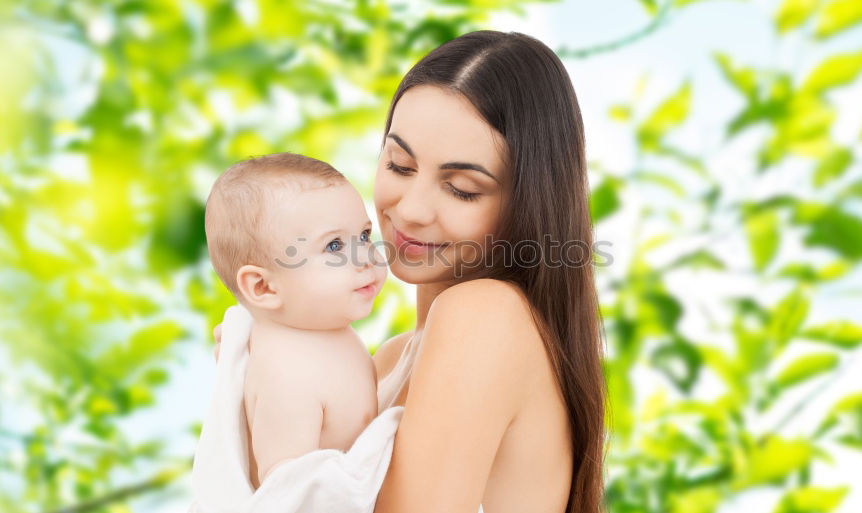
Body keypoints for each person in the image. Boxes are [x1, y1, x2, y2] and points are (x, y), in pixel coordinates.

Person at [213, 30, 608, 513]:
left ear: (526, 205)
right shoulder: (384, 361)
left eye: (462, 188)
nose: (413, 209)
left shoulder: (486, 317)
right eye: (399, 165)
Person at [203, 152, 387, 490]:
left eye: (362, 235)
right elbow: (288, 491)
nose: (365, 256)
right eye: (334, 245)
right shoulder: (287, 375)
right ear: (263, 287)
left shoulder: (321, 331)